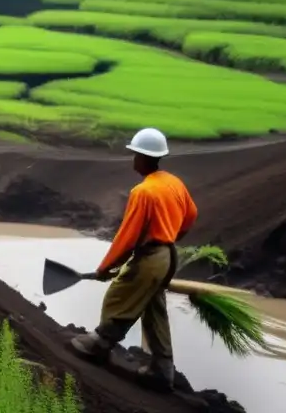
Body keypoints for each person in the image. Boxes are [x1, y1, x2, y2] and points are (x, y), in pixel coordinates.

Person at [69, 127, 198, 391]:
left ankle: (99, 344)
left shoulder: (144, 191)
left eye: (135, 154)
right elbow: (191, 214)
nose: (133, 159)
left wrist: (106, 267)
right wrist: (172, 234)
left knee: (120, 295)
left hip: (150, 257)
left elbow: (128, 237)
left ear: (143, 157)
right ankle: (163, 371)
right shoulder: (174, 183)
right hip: (168, 256)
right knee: (154, 309)